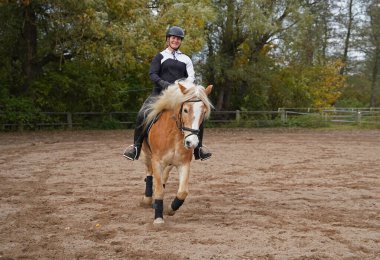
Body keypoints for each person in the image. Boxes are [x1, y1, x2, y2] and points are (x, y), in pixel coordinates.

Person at [123, 26, 212, 161]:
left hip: (181, 95)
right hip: (160, 94)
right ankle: (136, 146)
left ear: (181, 41)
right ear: (168, 39)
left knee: (197, 113)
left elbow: (191, 77)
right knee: (143, 113)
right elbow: (152, 74)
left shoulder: (186, 59)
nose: (175, 40)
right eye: (173, 38)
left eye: (178, 39)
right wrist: (165, 84)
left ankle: (198, 149)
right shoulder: (160, 56)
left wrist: (183, 88)